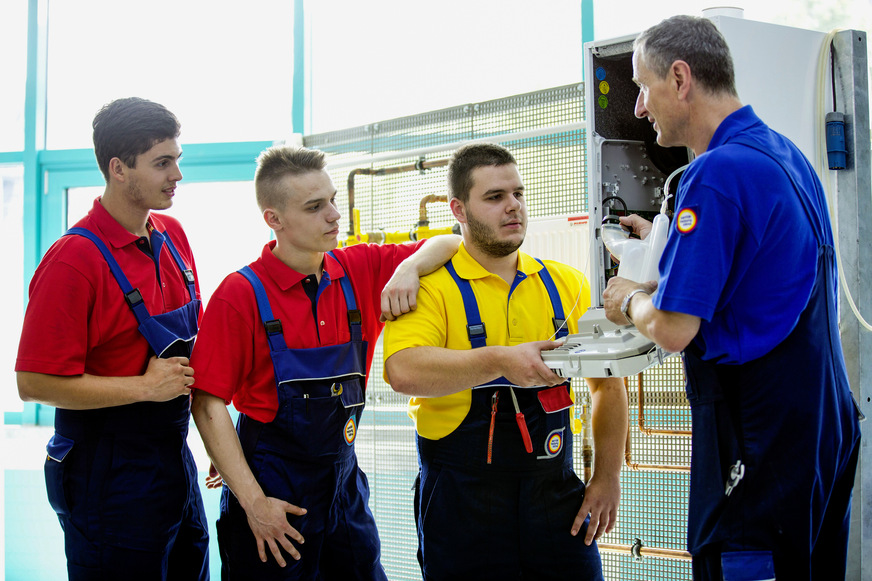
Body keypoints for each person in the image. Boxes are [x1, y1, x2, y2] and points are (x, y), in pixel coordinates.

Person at [601, 15, 862, 581]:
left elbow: (673, 329)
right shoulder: (782, 154)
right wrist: (661, 285)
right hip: (820, 423)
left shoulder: (715, 174)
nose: (640, 107)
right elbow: (759, 280)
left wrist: (629, 302)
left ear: (680, 78)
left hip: (757, 437)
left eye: (644, 87)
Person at [189, 144, 461, 580]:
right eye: (315, 207)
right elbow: (207, 403)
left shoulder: (359, 269)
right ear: (273, 219)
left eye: (333, 199)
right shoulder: (240, 295)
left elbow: (451, 241)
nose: (334, 215)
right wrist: (254, 503)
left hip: (344, 490)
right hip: (273, 496)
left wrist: (409, 267)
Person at [383, 143, 628, 581]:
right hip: (462, 504)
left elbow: (607, 386)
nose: (513, 206)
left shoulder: (565, 284)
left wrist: (607, 476)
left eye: (518, 193)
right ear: (459, 209)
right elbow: (403, 371)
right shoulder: (430, 288)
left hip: (556, 496)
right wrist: (498, 360)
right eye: (494, 197)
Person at [16, 97, 209, 581]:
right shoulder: (72, 262)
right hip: (106, 472)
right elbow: (34, 382)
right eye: (162, 163)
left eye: (177, 161)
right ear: (118, 169)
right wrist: (142, 387)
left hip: (173, 456)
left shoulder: (174, 236)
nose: (176, 176)